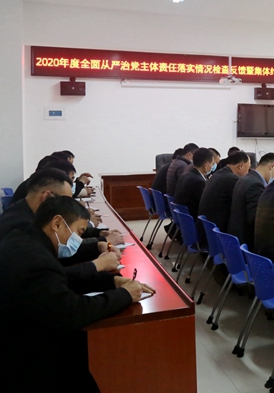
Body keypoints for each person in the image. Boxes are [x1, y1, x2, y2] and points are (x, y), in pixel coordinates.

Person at [0, 196, 154, 392]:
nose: (79, 240)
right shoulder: (36, 259)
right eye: (79, 232)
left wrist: (110, 281)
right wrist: (125, 295)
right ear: (57, 223)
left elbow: (58, 279)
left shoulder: (23, 239)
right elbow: (72, 312)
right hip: (25, 358)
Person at [0, 168, 122, 273]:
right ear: (47, 197)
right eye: (65, 201)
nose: (69, 207)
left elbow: (57, 252)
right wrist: (97, 265)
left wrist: (97, 246)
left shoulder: (28, 212)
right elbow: (49, 276)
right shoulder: (19, 227)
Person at [227, 153, 274, 248]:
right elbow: (256, 219)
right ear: (272, 166)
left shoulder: (245, 178)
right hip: (246, 242)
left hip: (236, 237)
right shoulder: (256, 185)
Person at [199, 151, 250, 232]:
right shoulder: (232, 179)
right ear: (241, 166)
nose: (248, 172)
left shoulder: (218, 173)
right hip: (217, 230)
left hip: (207, 227)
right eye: (248, 168)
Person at [174, 147, 215, 241]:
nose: (213, 166)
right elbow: (204, 206)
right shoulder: (198, 181)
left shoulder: (186, 175)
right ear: (206, 165)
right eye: (212, 164)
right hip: (195, 222)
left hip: (185, 222)